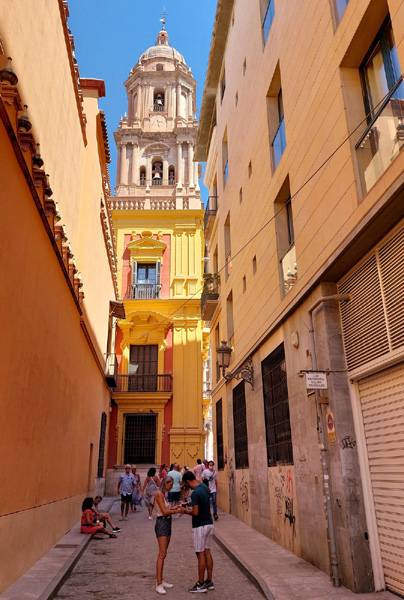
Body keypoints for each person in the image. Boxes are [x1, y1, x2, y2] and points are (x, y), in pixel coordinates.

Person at [179, 471, 214, 593]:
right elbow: (202, 501)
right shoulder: (203, 486)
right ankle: (209, 580)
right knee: (207, 552)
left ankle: (200, 583)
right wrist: (189, 503)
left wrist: (184, 510)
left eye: (185, 484)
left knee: (200, 554)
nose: (185, 487)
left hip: (200, 525)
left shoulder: (195, 493)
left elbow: (195, 512)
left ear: (188, 482)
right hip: (209, 523)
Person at [153, 476, 182, 595]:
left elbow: (166, 508)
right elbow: (164, 512)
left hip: (167, 522)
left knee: (164, 554)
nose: (172, 486)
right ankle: (158, 583)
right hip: (162, 523)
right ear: (165, 484)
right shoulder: (159, 494)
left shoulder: (164, 494)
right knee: (162, 554)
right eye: (170, 484)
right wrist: (176, 511)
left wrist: (174, 508)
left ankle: (161, 580)